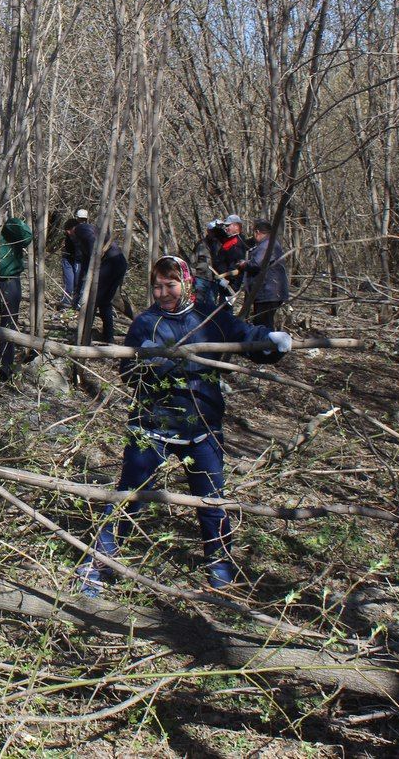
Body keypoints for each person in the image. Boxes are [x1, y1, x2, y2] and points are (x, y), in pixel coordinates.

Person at [76, 256, 291, 594]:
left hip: (202, 424)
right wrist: (150, 360)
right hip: (152, 424)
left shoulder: (211, 316)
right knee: (130, 494)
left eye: (170, 285)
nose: (163, 293)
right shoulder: (146, 323)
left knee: (211, 500)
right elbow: (129, 373)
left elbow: (247, 337)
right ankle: (100, 561)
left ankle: (219, 568)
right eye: (157, 286)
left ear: (187, 283)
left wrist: (272, 343)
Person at [0, 189, 33, 380]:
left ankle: (5, 369)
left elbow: (27, 237)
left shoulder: (11, 226)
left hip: (9, 282)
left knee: (8, 324)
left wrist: (7, 221)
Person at [69, 217, 128, 344]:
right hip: (119, 263)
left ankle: (85, 336)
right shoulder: (82, 241)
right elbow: (83, 269)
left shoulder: (82, 228)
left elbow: (92, 243)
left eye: (68, 232)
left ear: (71, 229)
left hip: (111, 263)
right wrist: (77, 292)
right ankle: (108, 336)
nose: (69, 236)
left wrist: (94, 258)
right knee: (105, 302)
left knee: (93, 300)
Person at [241, 220, 289, 329]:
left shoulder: (266, 245)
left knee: (263, 324)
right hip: (269, 292)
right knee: (263, 322)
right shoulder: (270, 243)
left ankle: (265, 345)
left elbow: (256, 263)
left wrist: (245, 264)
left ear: (257, 232)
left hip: (267, 292)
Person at [191, 220, 227, 305]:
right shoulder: (201, 244)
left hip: (214, 279)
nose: (213, 233)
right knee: (198, 302)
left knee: (211, 303)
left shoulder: (221, 244)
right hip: (200, 277)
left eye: (214, 231)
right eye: (212, 231)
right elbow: (193, 260)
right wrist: (192, 276)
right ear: (208, 231)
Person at [213, 213, 248, 295]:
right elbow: (219, 235)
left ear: (236, 226)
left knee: (226, 307)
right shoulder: (230, 239)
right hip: (223, 280)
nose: (226, 228)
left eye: (229, 226)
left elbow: (236, 263)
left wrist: (227, 279)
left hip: (230, 284)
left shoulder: (237, 242)